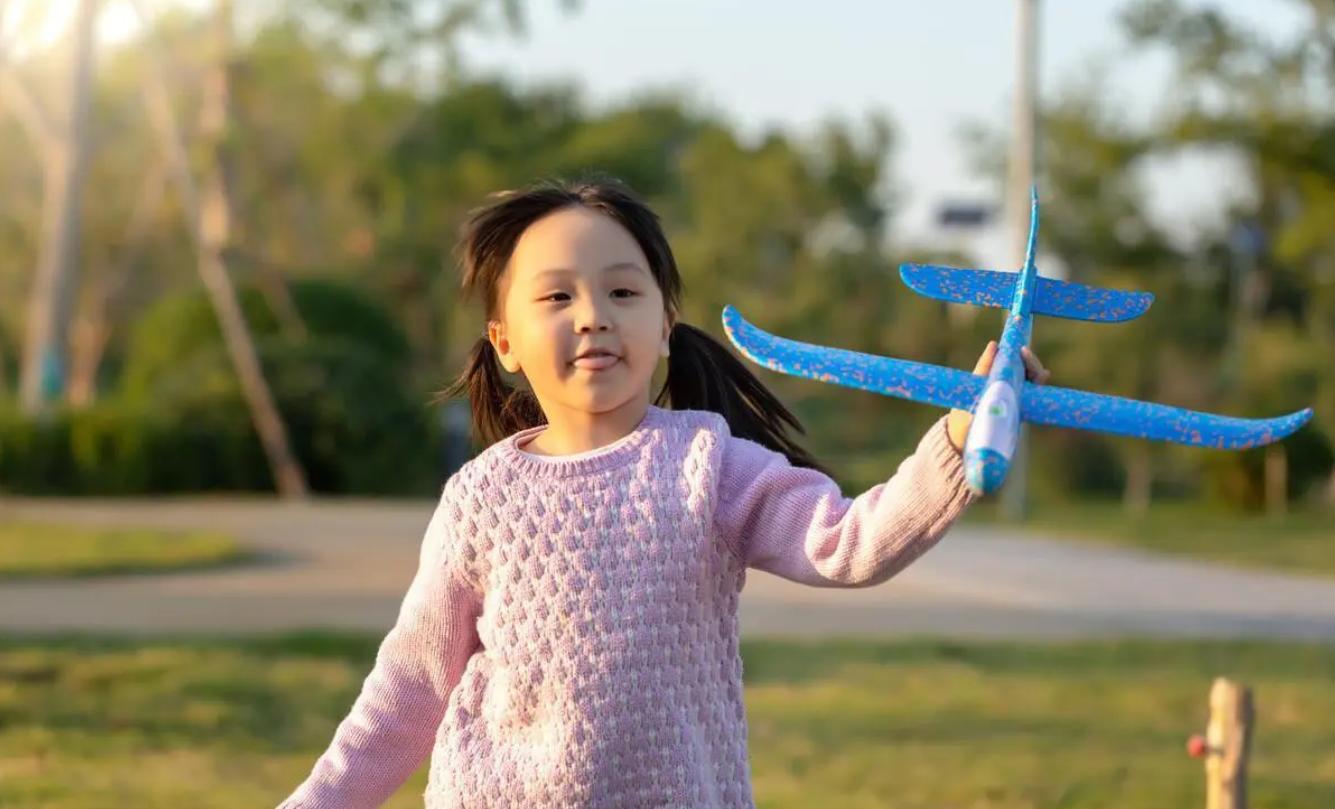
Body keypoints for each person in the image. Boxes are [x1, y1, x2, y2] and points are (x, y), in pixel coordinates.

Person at [277, 177, 1050, 809]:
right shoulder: (478, 500)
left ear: (664, 321)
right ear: (503, 340)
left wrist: (957, 434)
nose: (593, 318)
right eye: (556, 298)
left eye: (622, 292)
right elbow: (410, 687)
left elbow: (849, 544)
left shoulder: (707, 463)